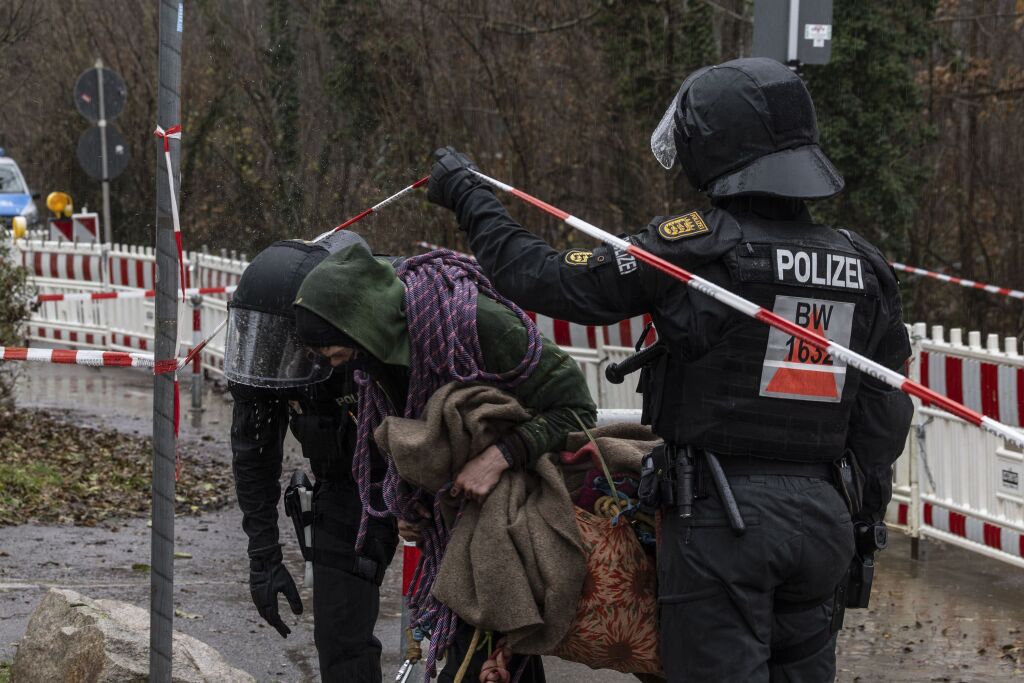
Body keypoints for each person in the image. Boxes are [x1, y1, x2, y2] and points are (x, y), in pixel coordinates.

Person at [427, 57, 914, 682]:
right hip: (823, 524)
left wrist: (470, 195)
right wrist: (858, 517)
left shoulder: (696, 248)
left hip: (723, 523)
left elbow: (545, 279)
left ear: (711, 147)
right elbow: (886, 414)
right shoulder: (864, 264)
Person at [292, 241, 598, 682]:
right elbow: (418, 433)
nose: (332, 362)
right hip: (456, 532)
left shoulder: (475, 323)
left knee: (482, 665)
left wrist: (499, 455)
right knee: (493, 666)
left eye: (333, 349)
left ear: (359, 322)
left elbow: (577, 411)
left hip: (510, 521)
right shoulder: (374, 354)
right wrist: (410, 503)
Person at [224, 231, 398, 683]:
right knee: (339, 641)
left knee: (471, 626)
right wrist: (263, 557)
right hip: (345, 483)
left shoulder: (381, 317)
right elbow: (254, 451)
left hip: (430, 472)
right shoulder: (267, 351)